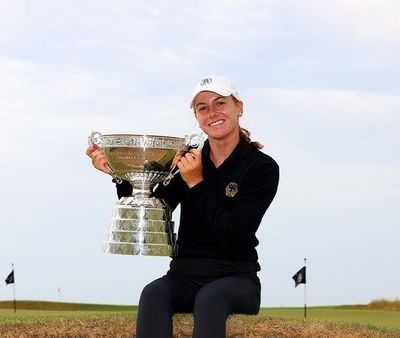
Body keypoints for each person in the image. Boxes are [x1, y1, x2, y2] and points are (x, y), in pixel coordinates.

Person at [86, 75, 279, 338]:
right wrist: (119, 174)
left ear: (239, 107)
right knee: (153, 293)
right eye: (203, 108)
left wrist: (197, 182)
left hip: (236, 279)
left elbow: (234, 234)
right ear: (197, 117)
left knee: (210, 299)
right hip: (184, 275)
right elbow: (156, 208)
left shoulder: (262, 167)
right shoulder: (186, 161)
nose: (212, 112)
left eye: (220, 103)